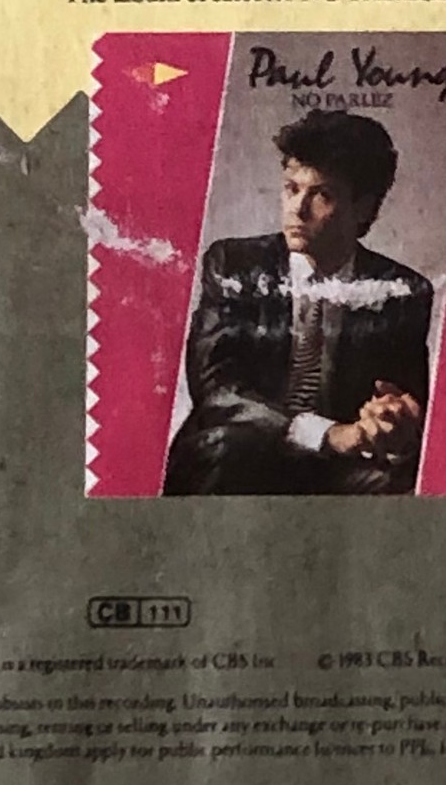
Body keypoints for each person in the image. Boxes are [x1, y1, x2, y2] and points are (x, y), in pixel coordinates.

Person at [163, 107, 432, 495]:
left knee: (396, 482)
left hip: (343, 467)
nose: (298, 209)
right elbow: (217, 389)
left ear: (363, 208)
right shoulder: (235, 264)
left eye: (321, 195)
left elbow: (406, 404)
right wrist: (327, 434)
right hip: (246, 448)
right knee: (226, 448)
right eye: (291, 188)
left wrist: (392, 424)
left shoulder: (403, 290)